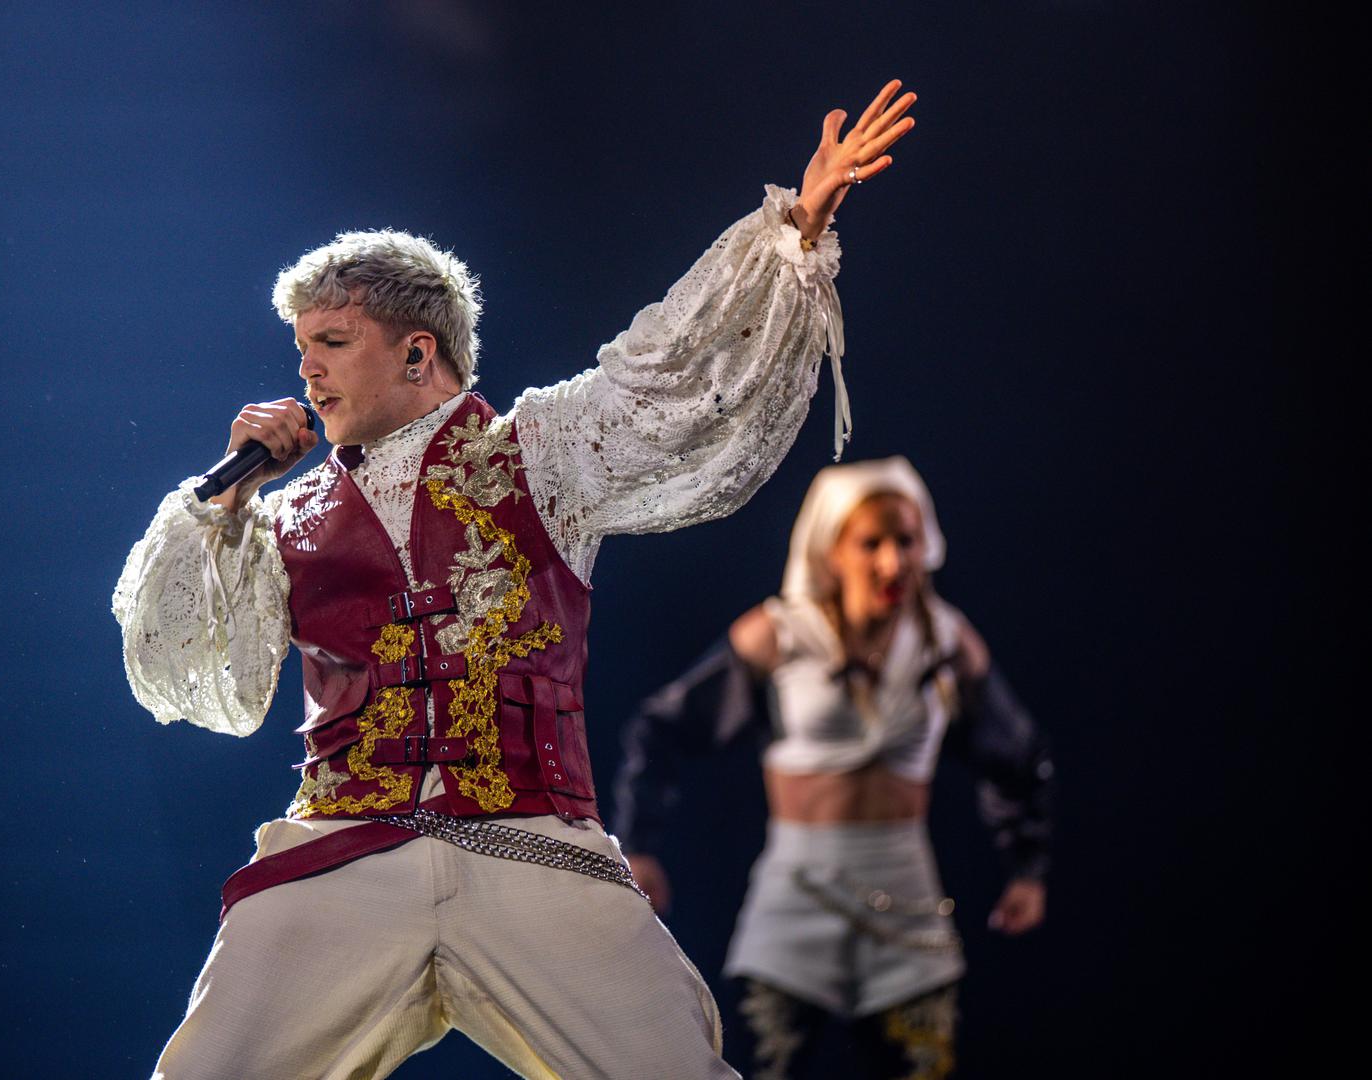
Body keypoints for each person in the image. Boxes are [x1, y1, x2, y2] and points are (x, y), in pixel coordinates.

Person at [112, 81, 916, 1079]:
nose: (307, 373)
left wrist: (792, 231)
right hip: (344, 852)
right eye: (301, 349)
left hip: (529, 846)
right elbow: (209, 680)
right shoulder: (284, 518)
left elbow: (669, 372)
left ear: (418, 352)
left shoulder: (540, 450)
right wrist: (225, 504)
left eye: (332, 344)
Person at [614, 457, 1054, 1080]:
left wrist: (1027, 867)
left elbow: (1015, 753)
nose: (892, 562)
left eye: (906, 541)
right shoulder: (781, 634)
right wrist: (639, 844)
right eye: (871, 543)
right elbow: (662, 726)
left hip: (906, 896)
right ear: (832, 550)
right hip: (796, 893)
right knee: (769, 1064)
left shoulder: (944, 641)